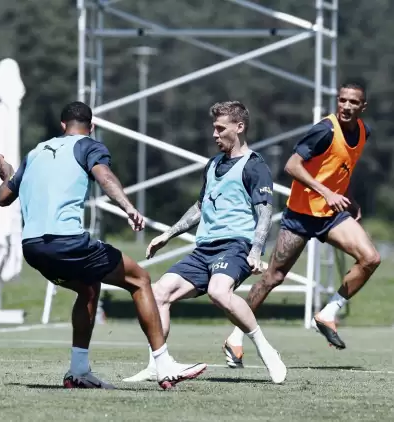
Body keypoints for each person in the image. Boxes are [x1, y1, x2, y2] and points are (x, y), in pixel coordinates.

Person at [0, 101, 207, 390]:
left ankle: (79, 371)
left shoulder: (35, 152)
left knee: (88, 288)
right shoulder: (88, 146)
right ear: (91, 126)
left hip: (32, 247)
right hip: (67, 242)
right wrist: (128, 207)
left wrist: (7, 174)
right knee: (140, 280)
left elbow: (3, 197)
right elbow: (104, 176)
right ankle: (164, 365)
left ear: (62, 126)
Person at [123, 101, 287, 385]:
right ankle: (156, 365)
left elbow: (264, 212)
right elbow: (200, 207)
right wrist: (167, 235)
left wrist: (256, 251)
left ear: (239, 127)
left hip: (235, 246)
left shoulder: (255, 166)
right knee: (159, 292)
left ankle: (266, 350)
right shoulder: (213, 164)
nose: (215, 134)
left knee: (218, 292)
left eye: (220, 128)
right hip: (204, 249)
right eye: (214, 128)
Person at [222, 82, 379, 366]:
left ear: (363, 106)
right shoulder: (325, 130)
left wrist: (349, 198)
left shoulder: (363, 132)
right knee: (273, 277)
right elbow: (292, 166)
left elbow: (340, 168)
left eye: (353, 102)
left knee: (371, 259)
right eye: (342, 100)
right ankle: (235, 338)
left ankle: (328, 313)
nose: (346, 106)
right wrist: (327, 193)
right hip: (301, 215)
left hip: (331, 215)